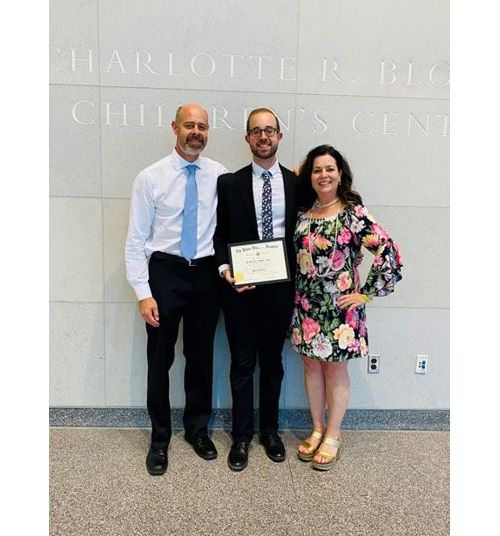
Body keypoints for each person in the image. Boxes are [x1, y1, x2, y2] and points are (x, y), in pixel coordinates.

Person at [125, 103, 227, 475]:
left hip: (205, 275)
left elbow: (231, 228)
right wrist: (143, 292)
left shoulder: (219, 175)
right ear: (174, 128)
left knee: (201, 357)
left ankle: (197, 431)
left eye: (202, 126)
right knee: (160, 360)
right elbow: (136, 241)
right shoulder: (150, 178)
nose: (196, 132)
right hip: (164, 274)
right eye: (189, 125)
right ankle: (159, 439)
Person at [291, 144, 403, 471]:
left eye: (330, 169)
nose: (323, 175)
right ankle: (316, 427)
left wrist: (365, 293)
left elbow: (388, 251)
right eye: (317, 170)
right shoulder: (302, 212)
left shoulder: (354, 213)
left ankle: (333, 434)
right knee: (310, 366)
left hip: (340, 308)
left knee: (334, 368)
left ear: (340, 174)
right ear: (309, 176)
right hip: (305, 305)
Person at [214, 108, 297, 471]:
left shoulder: (298, 183)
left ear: (279, 136)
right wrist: (225, 269)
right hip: (241, 289)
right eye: (256, 131)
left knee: (274, 362)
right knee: (243, 363)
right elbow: (218, 236)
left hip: (280, 288)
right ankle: (242, 437)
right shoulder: (229, 183)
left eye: (269, 131)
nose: (263, 137)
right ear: (247, 138)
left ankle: (270, 431)